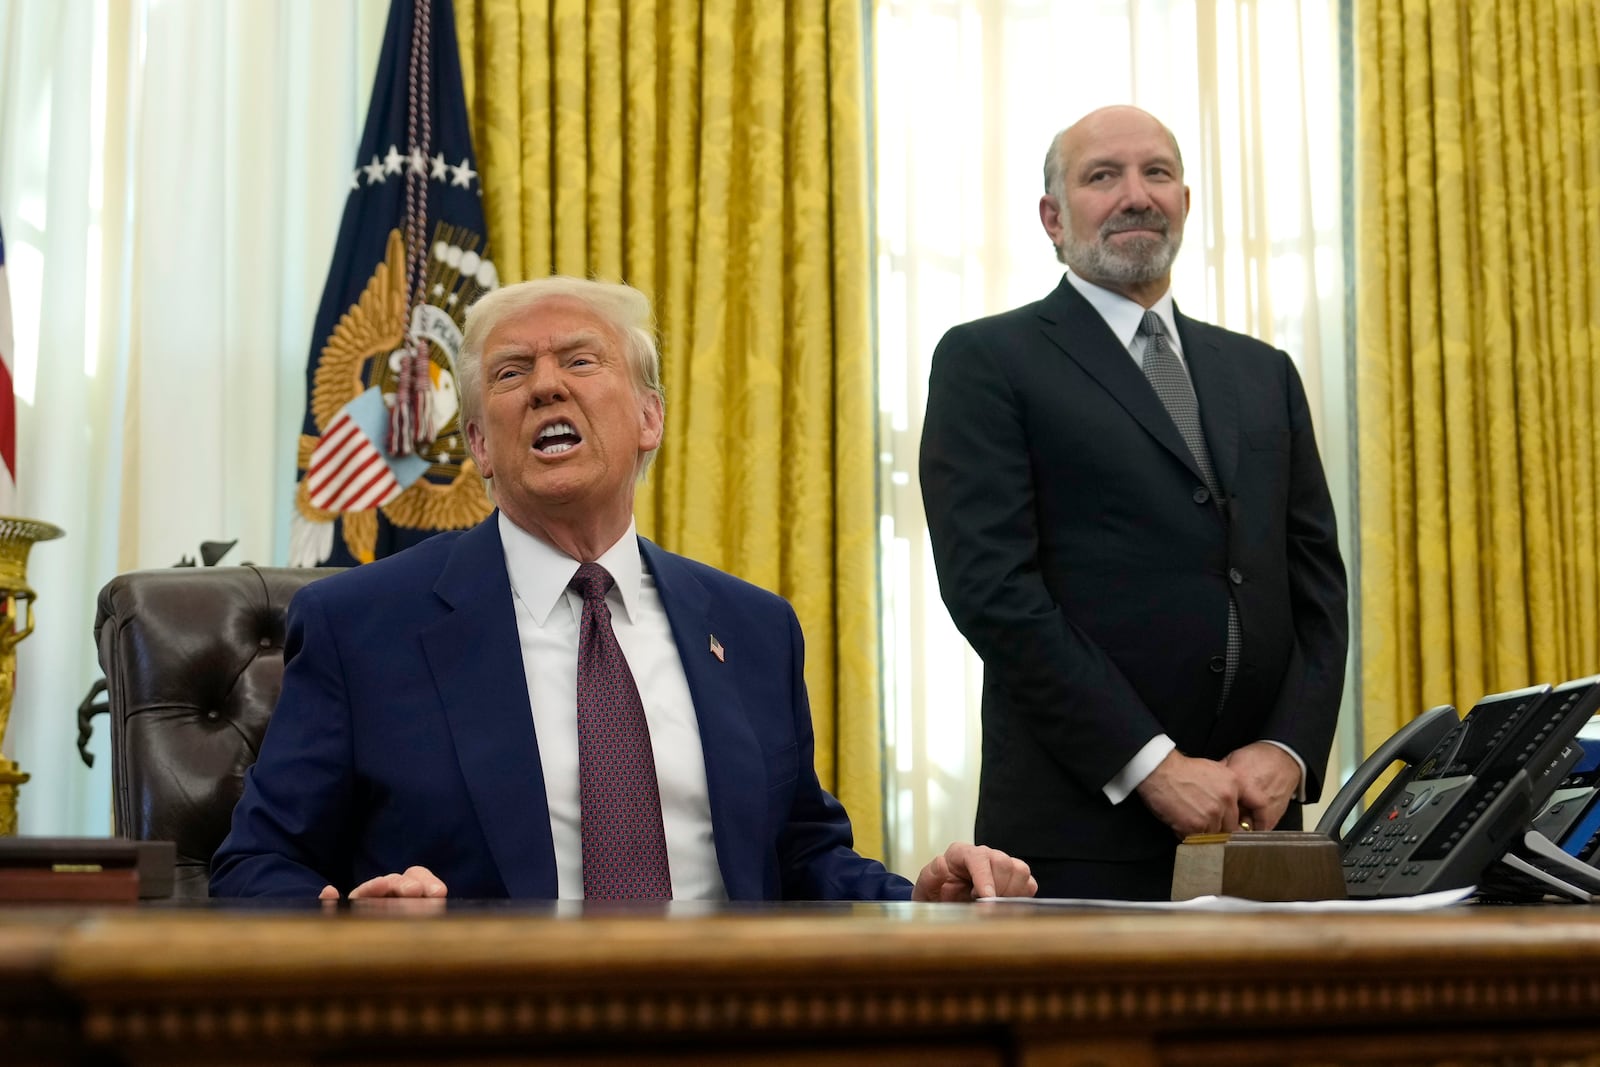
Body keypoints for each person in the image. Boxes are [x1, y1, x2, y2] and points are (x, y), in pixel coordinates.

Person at [212, 276, 1035, 903]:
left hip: (729, 1036)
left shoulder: (752, 626)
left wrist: (921, 901)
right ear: (478, 446)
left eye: (579, 360)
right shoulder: (363, 625)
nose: (545, 387)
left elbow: (800, 855)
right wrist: (355, 916)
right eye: (510, 373)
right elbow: (254, 865)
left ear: (650, 419)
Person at [918, 105, 1348, 900]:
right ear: (1053, 217)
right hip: (1074, 838)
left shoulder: (1266, 372)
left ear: (1186, 198)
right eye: (1102, 176)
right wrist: (1151, 763)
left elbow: (1317, 587)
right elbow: (992, 589)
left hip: (1260, 836)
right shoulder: (988, 360)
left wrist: (1288, 748)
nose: (1135, 195)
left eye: (1156, 173)